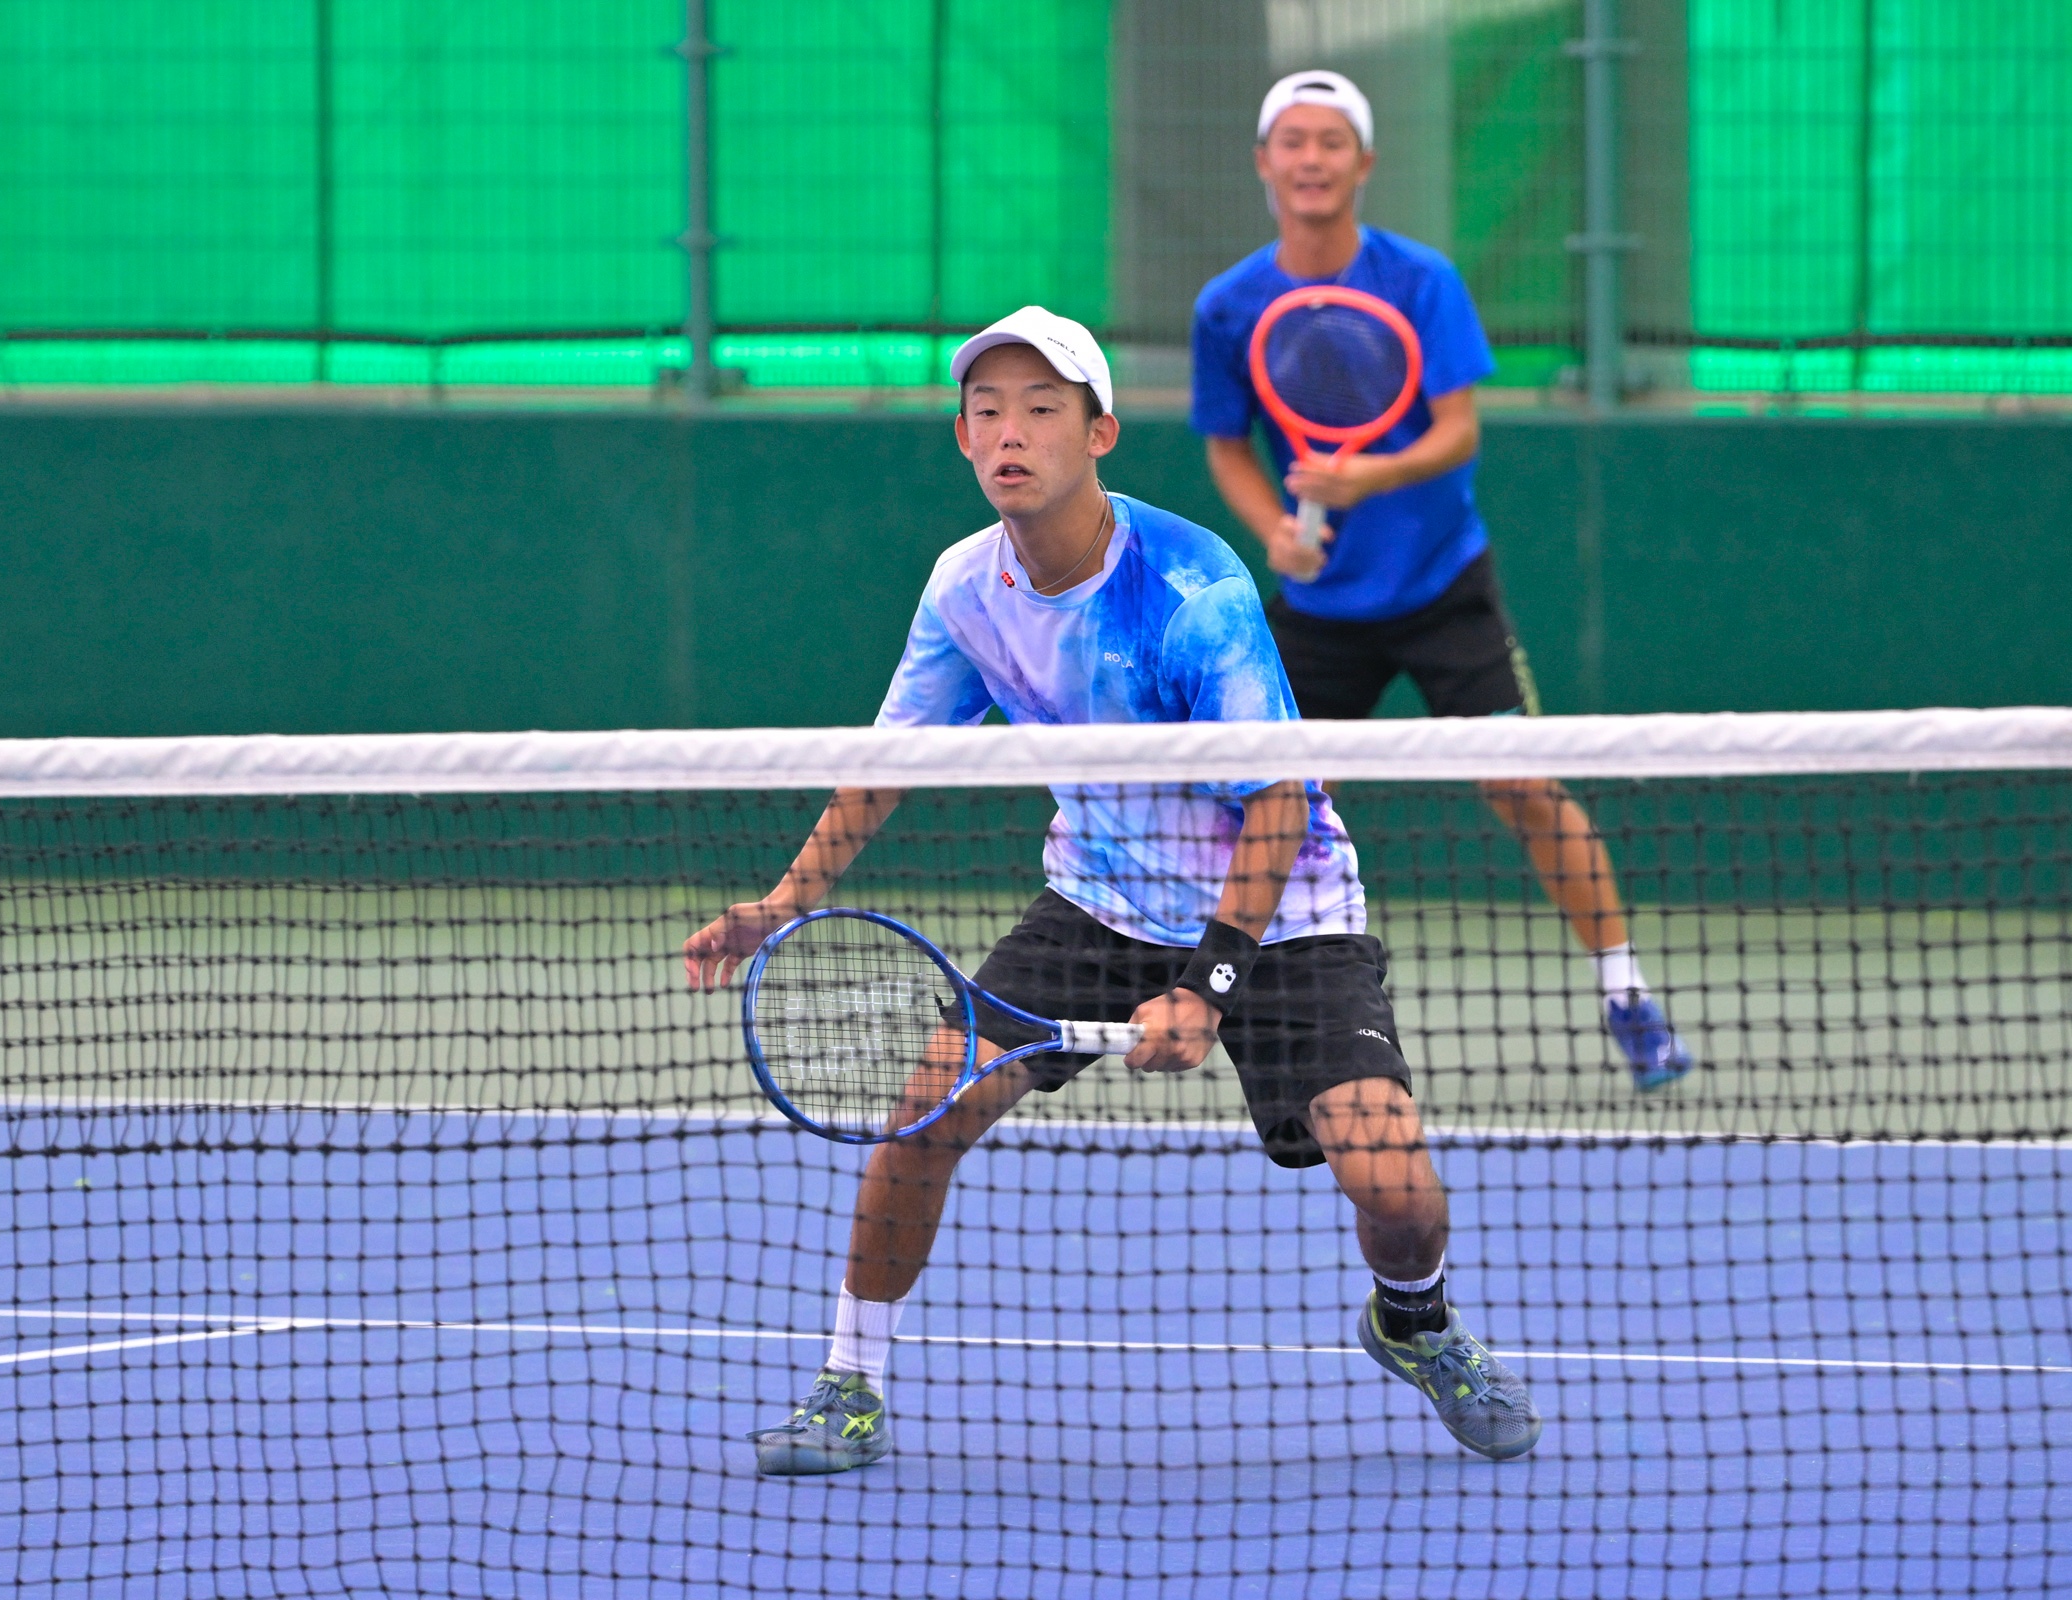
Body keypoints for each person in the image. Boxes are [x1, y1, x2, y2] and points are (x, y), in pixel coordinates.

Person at [685, 306, 1542, 1477]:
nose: (1011, 433)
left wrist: (1207, 988)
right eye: (988, 411)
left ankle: (1415, 1320)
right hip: (1097, 904)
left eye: (1042, 409)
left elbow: (1279, 803)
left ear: (1099, 434)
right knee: (922, 1120)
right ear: (962, 436)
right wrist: (784, 901)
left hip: (1282, 911)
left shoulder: (1192, 588)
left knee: (1397, 1191)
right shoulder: (965, 589)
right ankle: (851, 1382)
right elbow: (887, 766)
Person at [1192, 70, 1694, 1090]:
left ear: (1363, 163)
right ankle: (1213, 991)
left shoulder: (1421, 281)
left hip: (1442, 588)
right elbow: (1227, 446)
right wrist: (1275, 532)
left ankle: (1626, 992)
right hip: (1319, 610)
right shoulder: (1227, 306)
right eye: (1294, 141)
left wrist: (1369, 476)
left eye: (1332, 142)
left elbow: (1459, 430)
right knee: (1256, 803)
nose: (1312, 159)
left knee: (1524, 787)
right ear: (1263, 162)